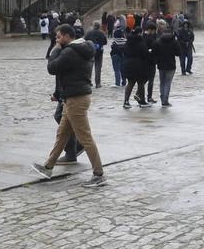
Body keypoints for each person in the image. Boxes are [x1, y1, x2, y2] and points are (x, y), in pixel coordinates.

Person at [31, 24, 106, 186]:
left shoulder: (70, 51)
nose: (56, 40)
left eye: (58, 37)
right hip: (73, 96)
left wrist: (55, 50)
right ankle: (48, 166)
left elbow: (52, 68)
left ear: (66, 36)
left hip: (76, 99)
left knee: (85, 137)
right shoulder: (83, 48)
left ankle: (99, 174)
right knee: (62, 134)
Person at [123, 21, 156, 108]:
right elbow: (145, 53)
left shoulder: (128, 41)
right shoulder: (140, 42)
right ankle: (142, 101)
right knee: (141, 83)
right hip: (138, 65)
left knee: (130, 83)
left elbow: (124, 51)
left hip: (128, 64)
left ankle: (126, 101)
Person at [152, 20, 180, 107]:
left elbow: (154, 53)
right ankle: (165, 100)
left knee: (162, 82)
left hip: (161, 65)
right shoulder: (174, 41)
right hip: (171, 65)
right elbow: (178, 53)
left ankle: (162, 98)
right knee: (168, 83)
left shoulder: (159, 41)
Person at [84, 20, 109, 88]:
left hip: (90, 51)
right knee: (98, 68)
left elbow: (85, 40)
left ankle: (88, 82)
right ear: (99, 26)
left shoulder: (89, 32)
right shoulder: (101, 33)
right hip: (99, 52)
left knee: (89, 67)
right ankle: (97, 83)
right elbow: (105, 42)